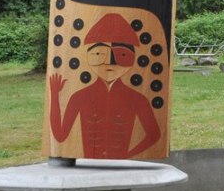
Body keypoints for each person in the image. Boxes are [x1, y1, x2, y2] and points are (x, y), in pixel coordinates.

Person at [49, 13, 161, 159]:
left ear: (133, 58)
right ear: (88, 56)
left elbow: (154, 135)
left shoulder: (137, 99)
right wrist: (55, 95)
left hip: (123, 168)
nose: (109, 61)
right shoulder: (80, 97)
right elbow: (60, 135)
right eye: (98, 53)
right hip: (88, 167)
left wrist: (130, 155)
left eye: (121, 55)